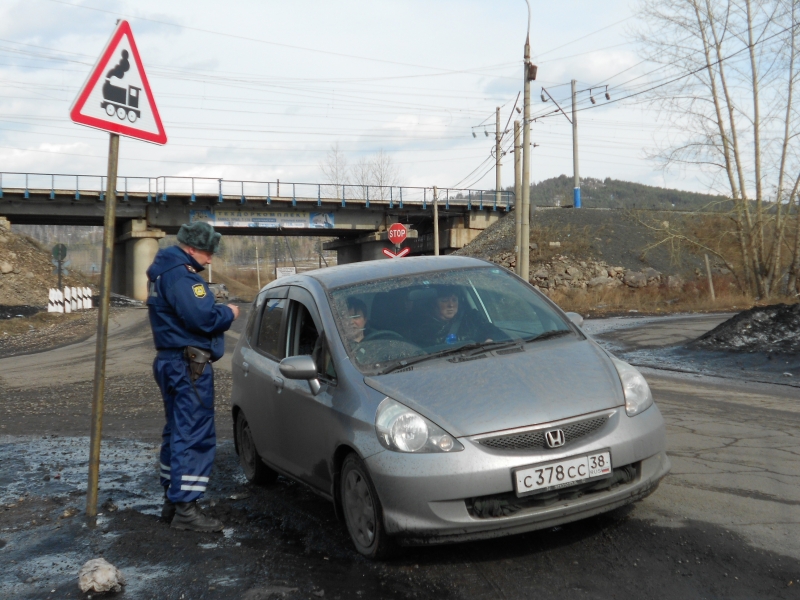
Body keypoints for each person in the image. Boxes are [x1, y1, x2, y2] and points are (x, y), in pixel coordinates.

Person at [146, 221, 240, 532]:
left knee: (176, 431)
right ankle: (186, 508)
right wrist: (228, 313)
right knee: (194, 432)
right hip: (189, 366)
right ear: (191, 248)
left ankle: (173, 501)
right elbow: (202, 318)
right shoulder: (182, 278)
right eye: (208, 251)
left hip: (173, 362)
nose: (211, 258)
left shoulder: (163, 273)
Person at [414, 285, 501, 347]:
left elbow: (496, 333)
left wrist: (490, 339)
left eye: (454, 300)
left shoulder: (472, 318)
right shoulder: (421, 327)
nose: (451, 305)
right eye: (444, 300)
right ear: (433, 304)